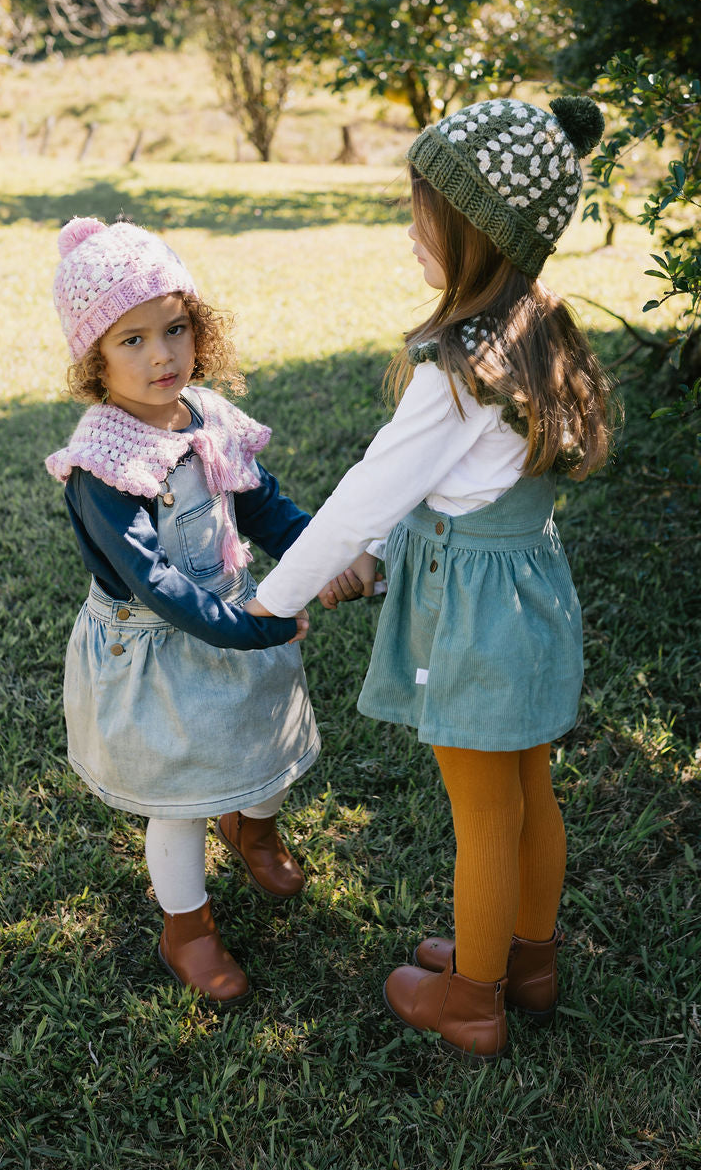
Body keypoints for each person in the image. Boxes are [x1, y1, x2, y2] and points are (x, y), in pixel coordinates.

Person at [246, 95, 616, 1059]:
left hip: (479, 626)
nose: (413, 238)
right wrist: (372, 563)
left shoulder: (454, 371)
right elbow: (454, 497)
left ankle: (472, 996)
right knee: (530, 789)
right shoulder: (540, 332)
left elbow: (368, 494)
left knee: (484, 811)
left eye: (426, 222)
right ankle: (525, 960)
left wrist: (271, 598)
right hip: (532, 601)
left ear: (480, 238)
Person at [46, 216, 319, 1007]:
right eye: (130, 340)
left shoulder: (208, 418)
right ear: (93, 358)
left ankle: (254, 827)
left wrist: (322, 551)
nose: (162, 355)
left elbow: (266, 507)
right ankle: (188, 926)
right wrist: (256, 626)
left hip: (233, 620)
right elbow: (157, 580)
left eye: (174, 328)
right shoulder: (103, 465)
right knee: (180, 802)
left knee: (266, 754)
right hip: (161, 649)